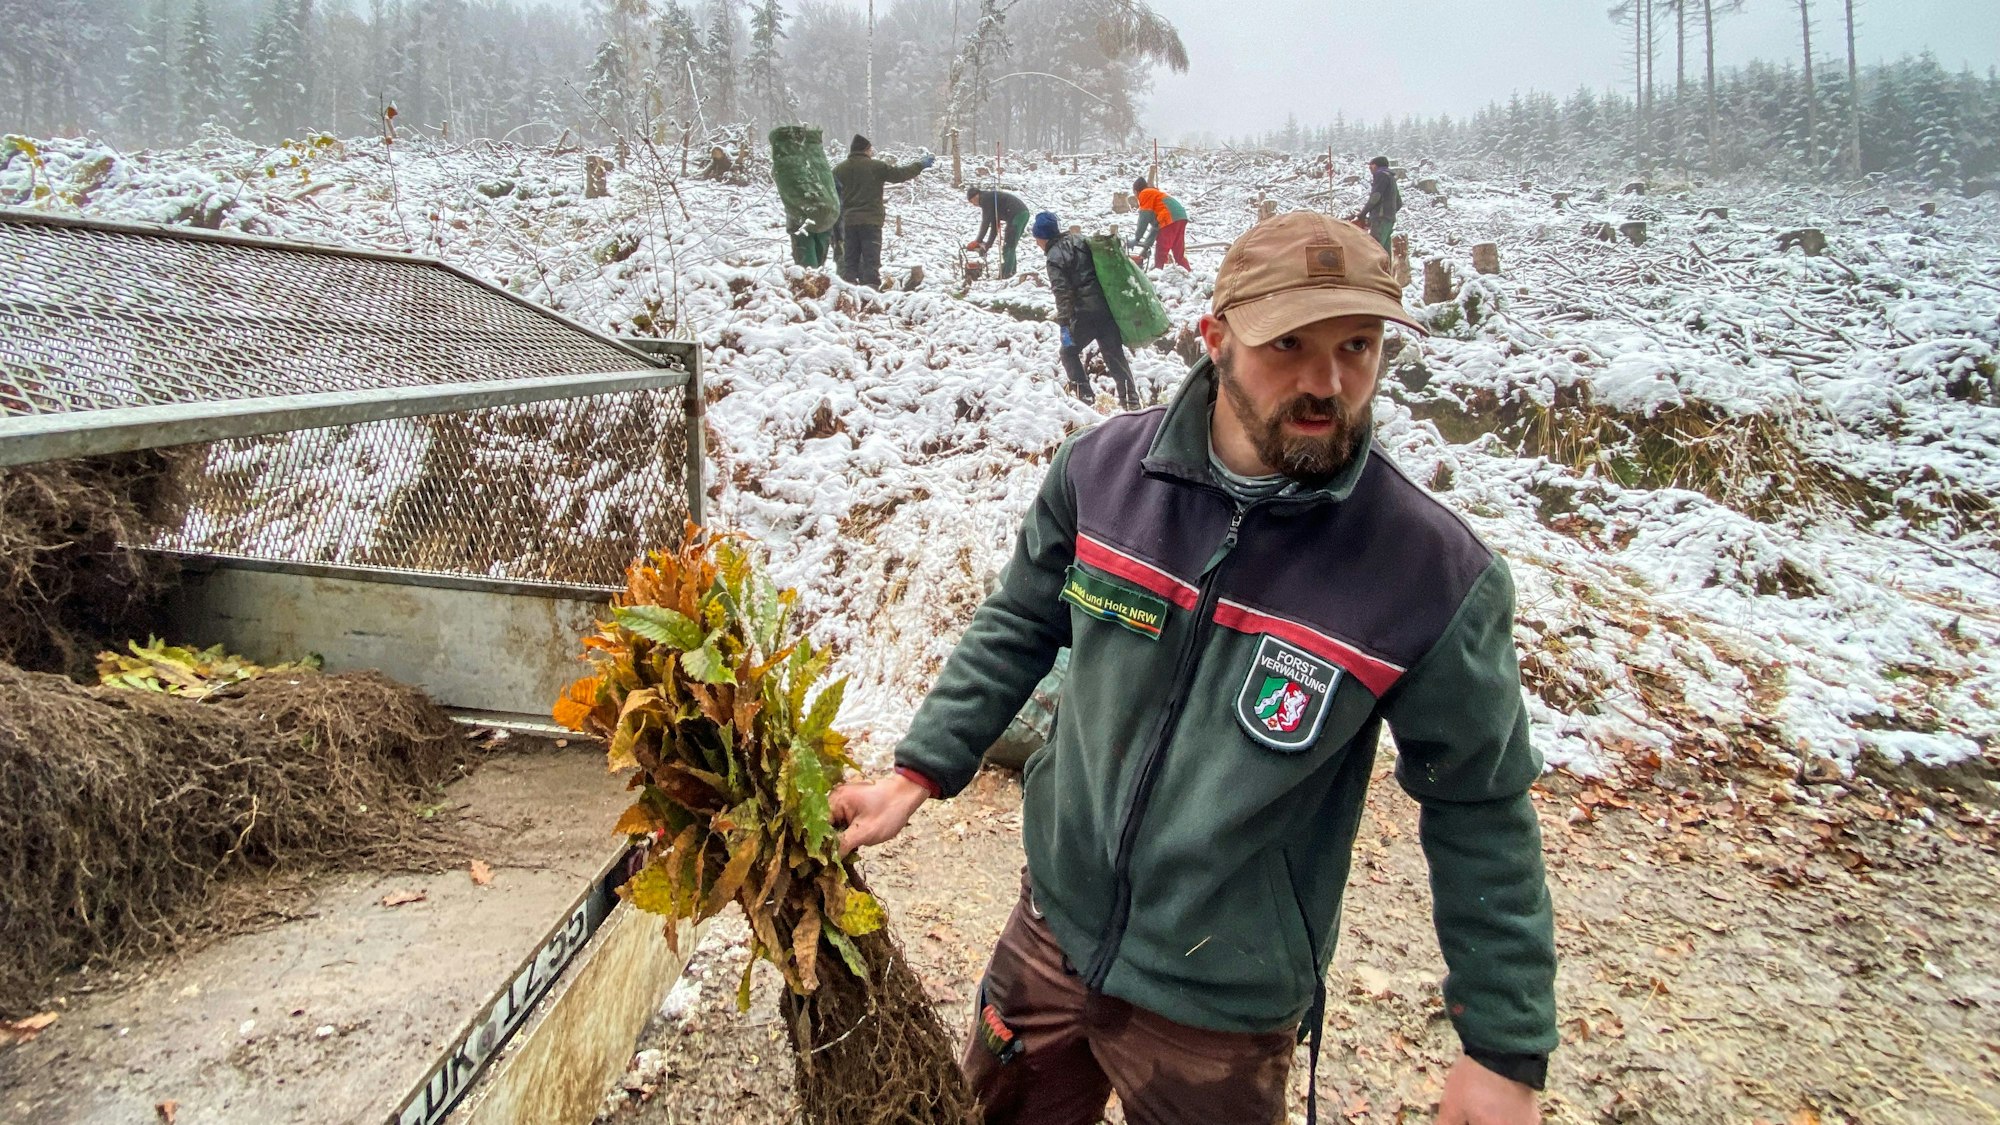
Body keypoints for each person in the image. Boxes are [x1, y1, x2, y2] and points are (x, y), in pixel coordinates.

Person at [831, 210, 1558, 1125]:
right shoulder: (1105, 473)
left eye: (1358, 347)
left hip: (1221, 1006)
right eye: (1288, 343)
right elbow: (1019, 620)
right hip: (1051, 933)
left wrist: (1503, 1051)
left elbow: (1480, 805)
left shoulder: (1428, 573)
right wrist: (915, 772)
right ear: (1215, 338)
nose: (1327, 382)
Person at [1033, 211, 1140, 412]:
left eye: (1036, 239)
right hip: (1106, 309)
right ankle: (1132, 402)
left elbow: (1062, 292)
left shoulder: (1054, 257)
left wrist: (1064, 324)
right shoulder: (1081, 240)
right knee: (1114, 355)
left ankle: (1086, 400)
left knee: (1068, 352)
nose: (1037, 243)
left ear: (1042, 237)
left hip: (1084, 315)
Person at [832, 134, 933, 287]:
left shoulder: (839, 169)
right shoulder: (876, 167)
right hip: (871, 222)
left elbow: (833, 194)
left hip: (849, 222)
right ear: (866, 149)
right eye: (870, 150)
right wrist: (920, 165)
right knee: (871, 260)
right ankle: (871, 292)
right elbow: (900, 174)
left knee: (850, 261)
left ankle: (848, 293)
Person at [965, 184, 1032, 279]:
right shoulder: (991, 201)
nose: (974, 204)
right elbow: (994, 226)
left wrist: (978, 241)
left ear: (976, 195)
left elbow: (985, 222)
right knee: (1009, 245)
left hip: (1018, 214)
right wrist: (988, 245)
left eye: (972, 201)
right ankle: (1010, 272)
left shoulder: (985, 199)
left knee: (1009, 245)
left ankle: (1007, 274)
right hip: (1019, 214)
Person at [1128, 177, 1191, 270]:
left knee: (1161, 250)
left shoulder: (1145, 194)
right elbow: (1156, 228)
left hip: (1169, 218)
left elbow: (1143, 219)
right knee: (1178, 252)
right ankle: (1188, 273)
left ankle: (1158, 273)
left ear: (1136, 191)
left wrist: (1137, 238)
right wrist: (1146, 246)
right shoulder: (1155, 195)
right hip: (1180, 216)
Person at [1355, 155, 1402, 253]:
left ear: (1375, 166)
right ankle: (1388, 268)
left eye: (1370, 167)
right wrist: (1390, 212)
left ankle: (1376, 269)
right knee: (1385, 251)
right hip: (1389, 219)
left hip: (1380, 219)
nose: (1370, 170)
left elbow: (1375, 197)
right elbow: (1399, 202)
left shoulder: (1381, 175)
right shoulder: (1391, 178)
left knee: (1375, 250)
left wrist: (1363, 214)